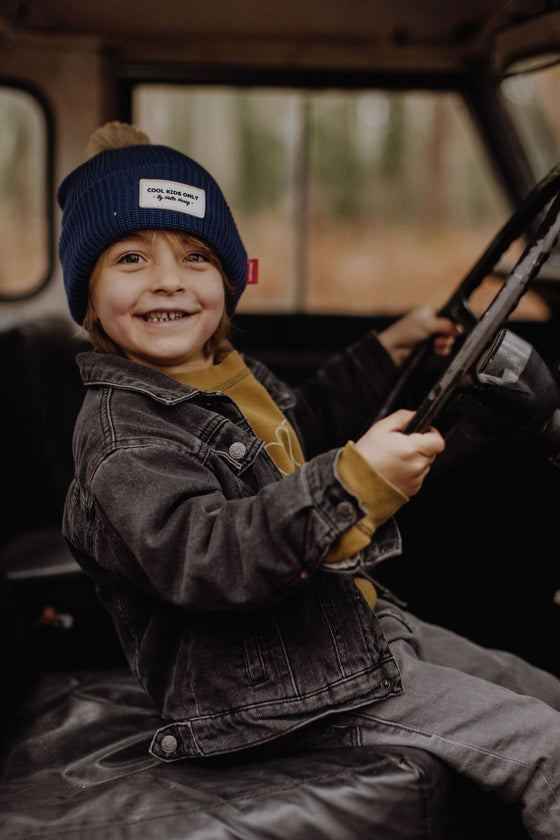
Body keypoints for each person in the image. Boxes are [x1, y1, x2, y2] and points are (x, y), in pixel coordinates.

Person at [59, 121, 560, 840]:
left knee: (538, 689)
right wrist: (351, 485)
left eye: (195, 256)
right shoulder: (124, 437)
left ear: (230, 280)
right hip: (268, 693)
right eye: (130, 258)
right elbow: (210, 557)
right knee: (546, 748)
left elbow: (305, 422)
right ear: (88, 291)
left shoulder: (223, 373)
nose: (168, 279)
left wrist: (389, 349)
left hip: (343, 632)